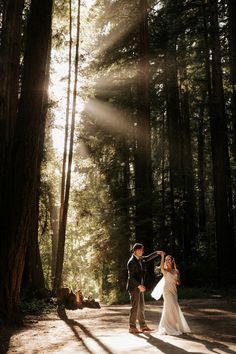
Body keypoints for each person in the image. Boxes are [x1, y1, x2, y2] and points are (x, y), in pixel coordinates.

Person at [151, 251, 191, 335]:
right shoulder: (165, 270)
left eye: (169, 259)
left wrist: (177, 281)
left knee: (174, 307)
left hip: (174, 291)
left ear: (172, 261)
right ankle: (169, 326)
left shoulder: (176, 271)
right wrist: (162, 256)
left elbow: (179, 282)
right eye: (166, 260)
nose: (167, 261)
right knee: (170, 305)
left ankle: (176, 326)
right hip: (167, 291)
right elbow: (161, 267)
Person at [126, 243, 160, 334]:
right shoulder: (131, 262)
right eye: (141, 250)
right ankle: (132, 327)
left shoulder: (140, 258)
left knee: (141, 307)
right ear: (136, 250)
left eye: (142, 250)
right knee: (135, 307)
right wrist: (139, 285)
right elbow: (131, 277)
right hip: (134, 287)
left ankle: (143, 326)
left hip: (139, 287)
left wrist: (157, 253)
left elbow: (147, 258)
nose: (142, 251)